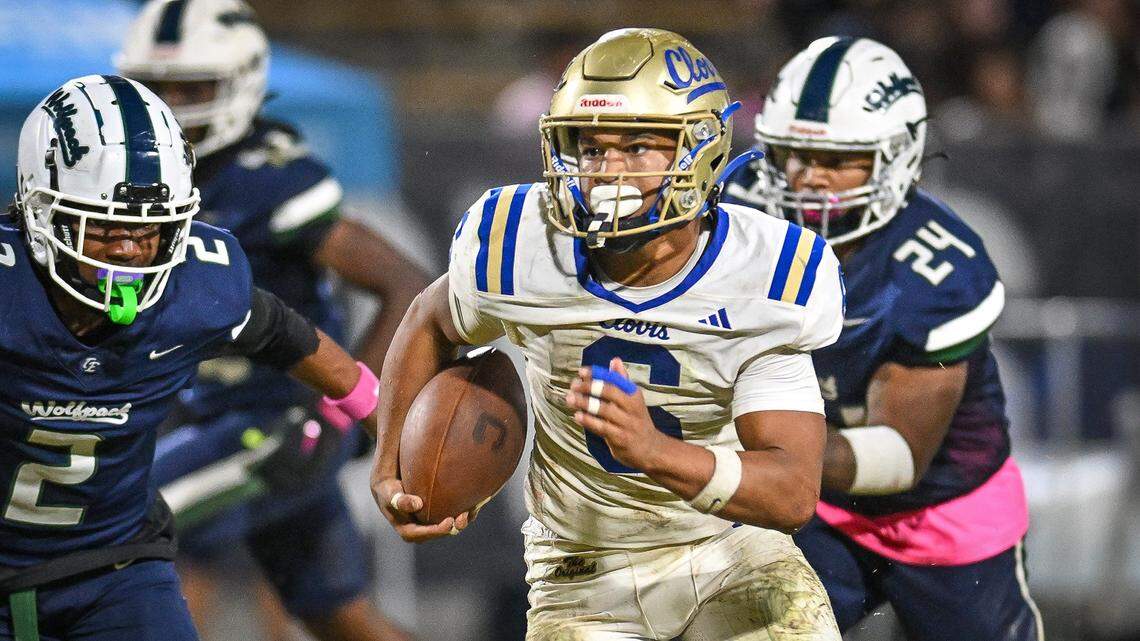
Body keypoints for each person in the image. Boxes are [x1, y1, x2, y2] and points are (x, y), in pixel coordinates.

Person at [371, 28, 846, 640]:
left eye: (638, 147)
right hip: (580, 573)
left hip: (732, 555)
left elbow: (790, 492)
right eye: (590, 149)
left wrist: (654, 451)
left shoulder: (765, 275)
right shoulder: (520, 245)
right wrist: (389, 467)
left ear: (701, 150)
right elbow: (429, 321)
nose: (607, 172)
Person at [0, 75, 383, 641]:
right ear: (41, 215)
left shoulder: (197, 283)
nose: (129, 249)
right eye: (105, 226)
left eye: (148, 227)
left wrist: (381, 417)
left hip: (114, 566)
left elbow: (285, 335)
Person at [114, 1, 425, 640]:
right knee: (337, 616)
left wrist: (345, 412)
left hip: (271, 420)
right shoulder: (149, 175)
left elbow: (405, 283)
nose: (171, 107)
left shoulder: (266, 179)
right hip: (210, 414)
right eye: (155, 88)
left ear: (242, 82)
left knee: (108, 535)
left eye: (192, 88)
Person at [722, 36, 1043, 641]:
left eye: (837, 160)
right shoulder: (740, 216)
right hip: (813, 505)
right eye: (794, 154)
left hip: (942, 510)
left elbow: (897, 459)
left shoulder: (938, 272)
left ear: (896, 158)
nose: (808, 178)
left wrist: (750, 456)